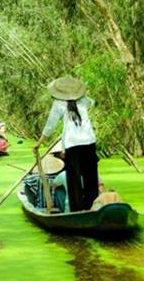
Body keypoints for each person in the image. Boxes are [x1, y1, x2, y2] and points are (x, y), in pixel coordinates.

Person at [33, 76, 98, 212]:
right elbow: (93, 102)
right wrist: (83, 96)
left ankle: (77, 210)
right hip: (89, 141)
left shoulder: (58, 104)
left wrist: (40, 142)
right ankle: (92, 207)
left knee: (73, 179)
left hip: (72, 144)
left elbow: (50, 125)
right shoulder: (84, 100)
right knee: (91, 177)